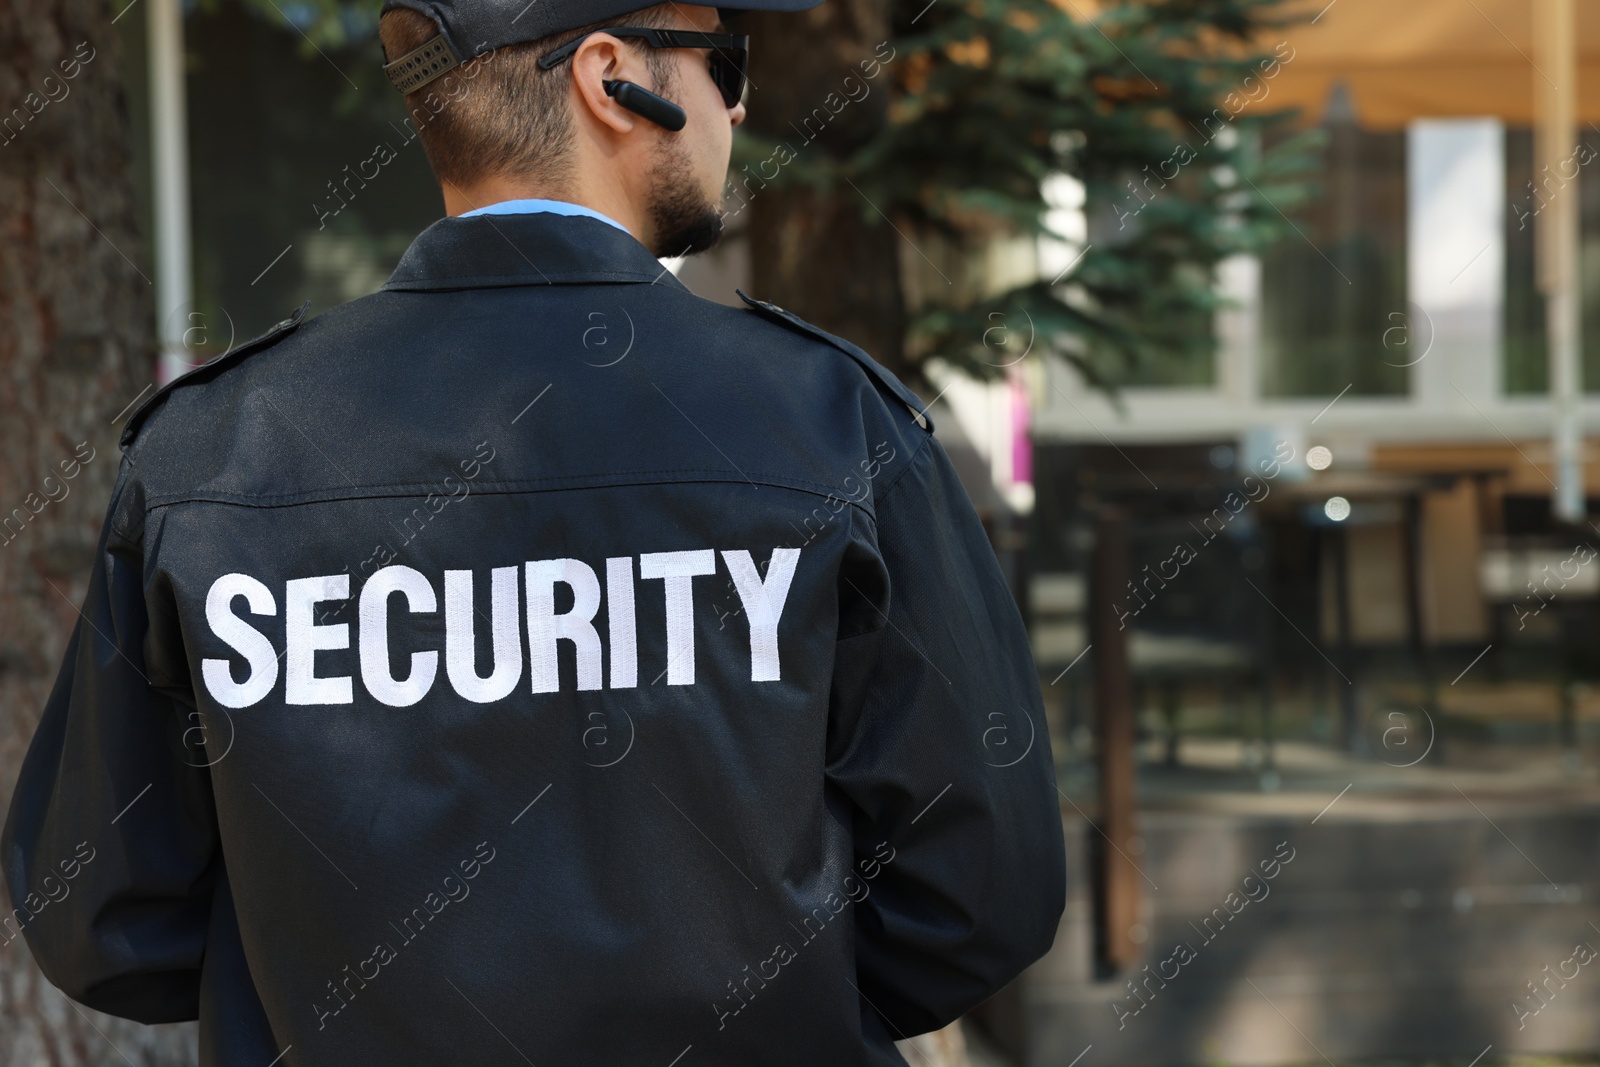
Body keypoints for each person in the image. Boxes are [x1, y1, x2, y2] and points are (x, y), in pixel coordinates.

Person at [1, 1, 1066, 1063]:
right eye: (722, 60)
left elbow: (107, 917)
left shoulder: (215, 448)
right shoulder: (833, 425)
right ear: (610, 79)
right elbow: (978, 899)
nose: (738, 103)